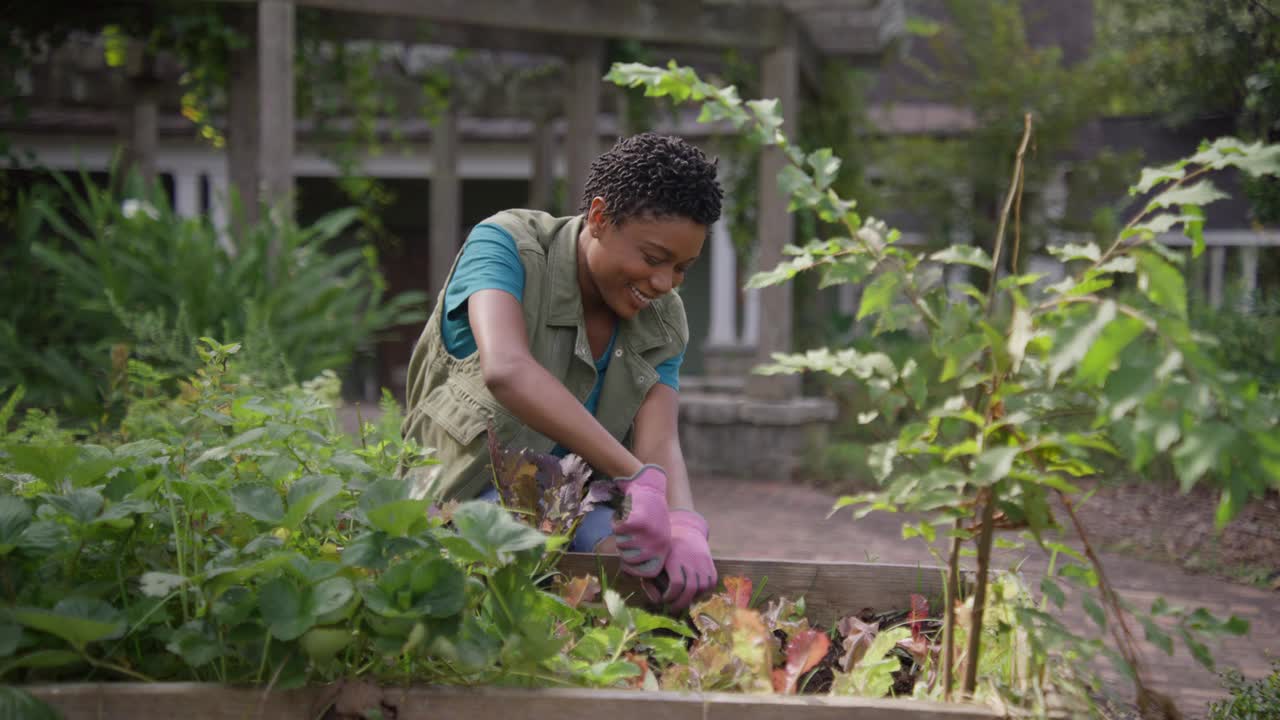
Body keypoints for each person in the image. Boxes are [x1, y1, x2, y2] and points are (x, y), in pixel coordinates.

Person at [400, 132, 722, 610]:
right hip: (459, 501)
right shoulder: (506, 244)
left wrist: (682, 522)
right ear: (597, 218)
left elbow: (659, 441)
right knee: (514, 569)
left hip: (577, 505)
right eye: (653, 259)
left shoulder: (665, 317)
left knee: (639, 575)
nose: (662, 283)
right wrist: (639, 478)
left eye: (682, 269)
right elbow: (507, 369)